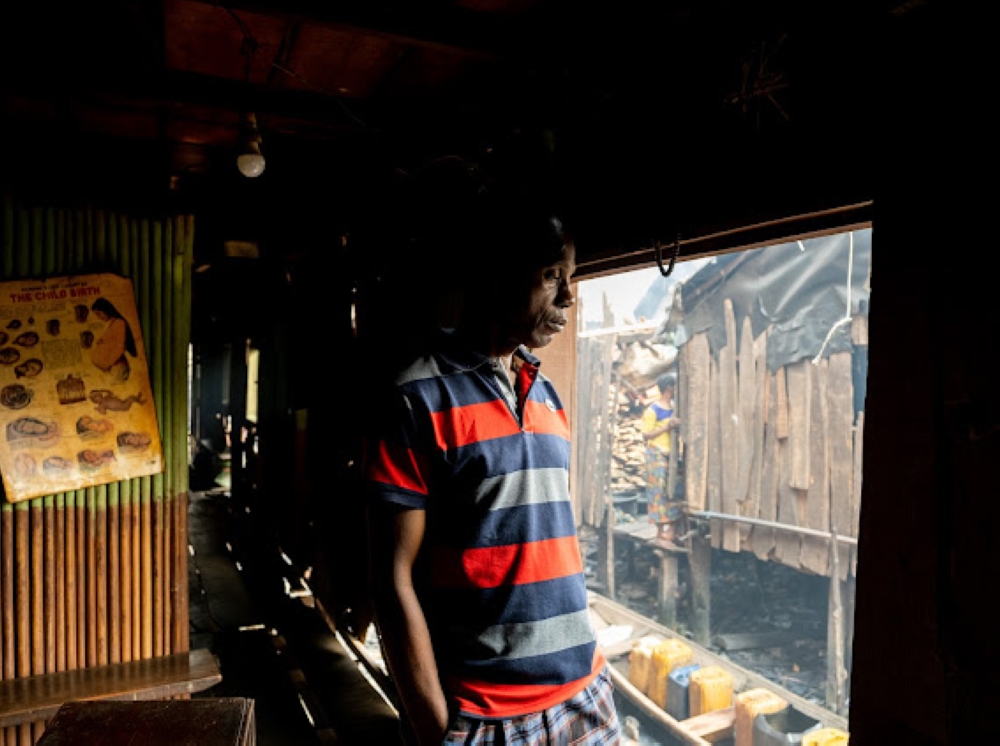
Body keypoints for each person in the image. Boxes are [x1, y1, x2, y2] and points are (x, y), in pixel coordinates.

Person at [363, 197, 621, 745]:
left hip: (584, 697)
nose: (568, 296)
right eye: (551, 275)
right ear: (496, 273)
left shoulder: (546, 394)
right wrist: (434, 726)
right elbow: (391, 580)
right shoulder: (416, 397)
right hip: (486, 715)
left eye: (571, 276)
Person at [641, 372, 682, 545]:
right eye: (674, 387)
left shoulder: (674, 408)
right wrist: (667, 426)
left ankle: (671, 530)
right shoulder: (653, 410)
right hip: (656, 454)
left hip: (671, 455)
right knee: (657, 492)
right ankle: (659, 532)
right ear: (668, 388)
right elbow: (646, 434)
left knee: (673, 490)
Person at [89, 297, 137, 382]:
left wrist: (106, 364)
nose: (99, 317)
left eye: (99, 314)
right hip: (113, 368)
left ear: (105, 310)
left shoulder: (119, 323)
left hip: (117, 368)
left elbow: (120, 347)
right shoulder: (113, 323)